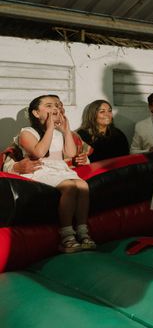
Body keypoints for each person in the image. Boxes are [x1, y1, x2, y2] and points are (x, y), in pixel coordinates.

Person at [14, 95, 95, 253]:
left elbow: (71, 153)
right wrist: (50, 128)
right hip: (40, 169)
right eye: (49, 106)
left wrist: (66, 130)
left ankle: (83, 231)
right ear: (36, 113)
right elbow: (38, 152)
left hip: (60, 169)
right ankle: (66, 236)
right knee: (70, 187)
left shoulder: (59, 133)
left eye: (57, 106)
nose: (55, 109)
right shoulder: (27, 132)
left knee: (83, 185)